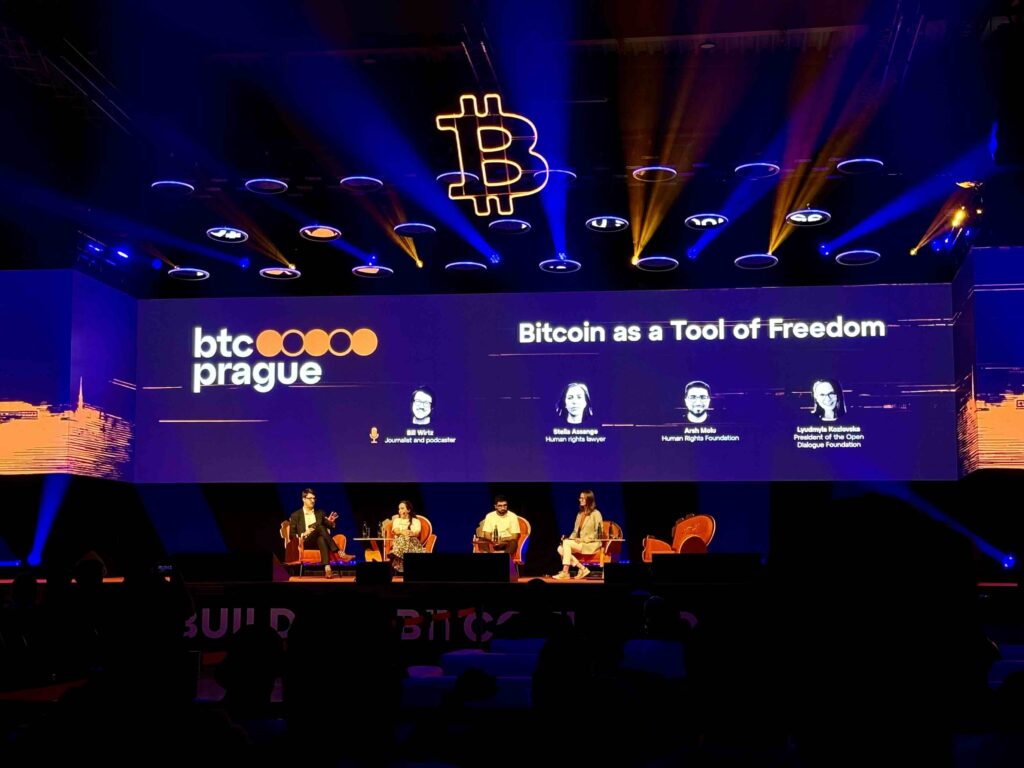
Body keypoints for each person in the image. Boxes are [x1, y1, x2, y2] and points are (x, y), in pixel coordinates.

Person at [288, 488, 354, 578]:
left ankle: (328, 569)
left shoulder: (320, 513)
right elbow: (292, 535)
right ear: (303, 499)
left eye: (314, 498)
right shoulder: (295, 515)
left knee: (321, 538)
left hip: (319, 542)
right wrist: (304, 533)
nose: (313, 501)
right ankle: (339, 553)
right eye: (310, 498)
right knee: (320, 527)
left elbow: (332, 526)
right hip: (305, 542)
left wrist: (331, 522)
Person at [552, 490, 604, 580]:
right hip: (581, 543)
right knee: (560, 548)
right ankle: (582, 568)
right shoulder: (580, 514)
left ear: (589, 499)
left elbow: (598, 533)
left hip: (590, 544)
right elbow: (575, 531)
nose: (580, 500)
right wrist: (568, 539)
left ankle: (565, 572)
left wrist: (583, 540)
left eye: (583, 498)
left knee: (566, 544)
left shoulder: (596, 514)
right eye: (580, 498)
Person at [389, 500, 426, 574]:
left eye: (402, 508)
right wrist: (403, 532)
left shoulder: (415, 521)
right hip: (399, 543)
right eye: (399, 509)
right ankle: (397, 555)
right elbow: (396, 531)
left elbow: (417, 533)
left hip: (413, 544)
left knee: (407, 538)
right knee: (404, 537)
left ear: (408, 510)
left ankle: (395, 555)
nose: (400, 511)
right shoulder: (397, 520)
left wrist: (411, 533)